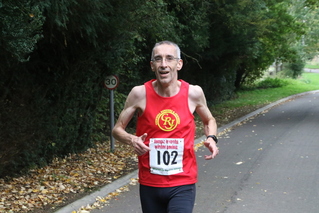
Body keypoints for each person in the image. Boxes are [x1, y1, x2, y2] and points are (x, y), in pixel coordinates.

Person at [112, 40, 219, 213]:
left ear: (179, 64)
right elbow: (117, 130)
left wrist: (211, 138)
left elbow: (209, 120)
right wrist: (132, 139)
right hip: (150, 182)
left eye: (169, 58)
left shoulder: (193, 93)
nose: (163, 64)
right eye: (158, 59)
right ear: (152, 65)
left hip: (183, 181)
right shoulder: (139, 94)